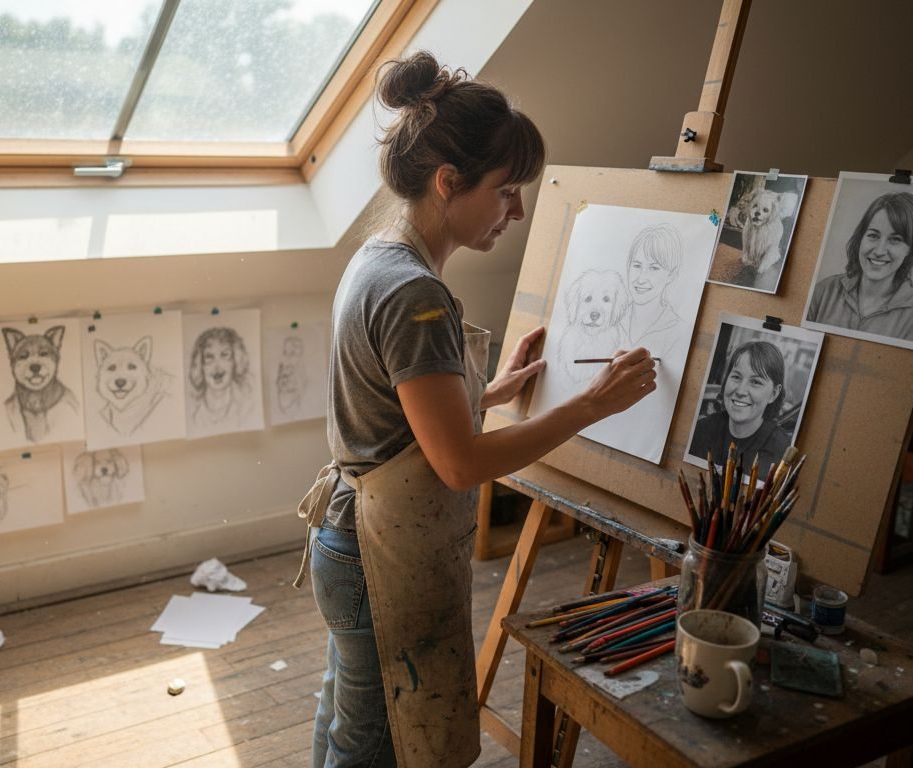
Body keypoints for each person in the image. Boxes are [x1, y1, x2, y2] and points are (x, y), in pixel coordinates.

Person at [293, 52, 657, 768]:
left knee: (347, 721)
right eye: (506, 191)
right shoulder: (415, 294)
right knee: (371, 746)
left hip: (348, 537)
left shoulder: (379, 257)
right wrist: (590, 404)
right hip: (375, 555)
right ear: (447, 183)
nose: (516, 211)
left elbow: (396, 410)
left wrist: (488, 390)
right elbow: (458, 464)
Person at [805, 191, 913, 341]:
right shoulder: (823, 291)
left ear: (911, 249)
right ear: (860, 238)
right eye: (873, 235)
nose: (879, 251)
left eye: (895, 239)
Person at [688, 340, 790, 471]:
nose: (741, 391)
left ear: (773, 394)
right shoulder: (701, 430)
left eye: (755, 382)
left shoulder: (780, 449)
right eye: (736, 377)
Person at [624, 224, 686, 359]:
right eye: (637, 265)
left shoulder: (678, 331)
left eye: (654, 268)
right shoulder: (611, 318)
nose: (641, 279)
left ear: (671, 275)